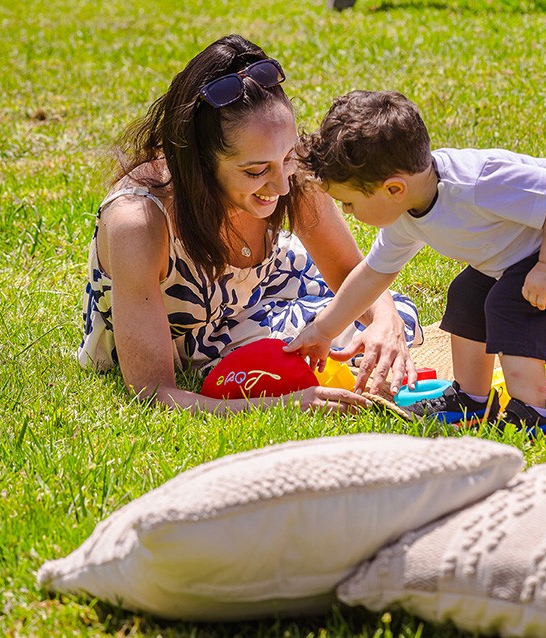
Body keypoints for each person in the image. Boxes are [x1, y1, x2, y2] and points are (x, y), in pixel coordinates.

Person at [77, 37, 422, 414]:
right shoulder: (138, 223)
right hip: (191, 335)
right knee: (302, 363)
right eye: (256, 171)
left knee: (396, 319)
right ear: (201, 164)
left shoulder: (285, 172)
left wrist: (386, 324)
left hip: (264, 281)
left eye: (288, 156)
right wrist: (285, 404)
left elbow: (347, 269)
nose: (283, 185)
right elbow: (153, 393)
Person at [286, 90, 546, 435]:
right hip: (520, 253)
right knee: (467, 293)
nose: (347, 213)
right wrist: (322, 330)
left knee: (508, 305)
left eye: (350, 204)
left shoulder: (475, 183)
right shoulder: (404, 211)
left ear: (394, 189)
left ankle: (534, 415)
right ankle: (473, 402)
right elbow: (372, 274)